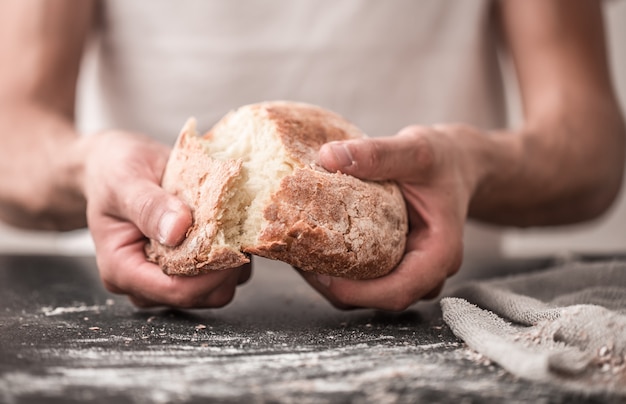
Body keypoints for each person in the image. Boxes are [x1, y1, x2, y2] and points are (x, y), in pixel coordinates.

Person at [0, 0, 623, 311]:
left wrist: (474, 165)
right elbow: (13, 134)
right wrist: (89, 167)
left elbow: (590, 145)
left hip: (444, 314)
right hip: (135, 323)